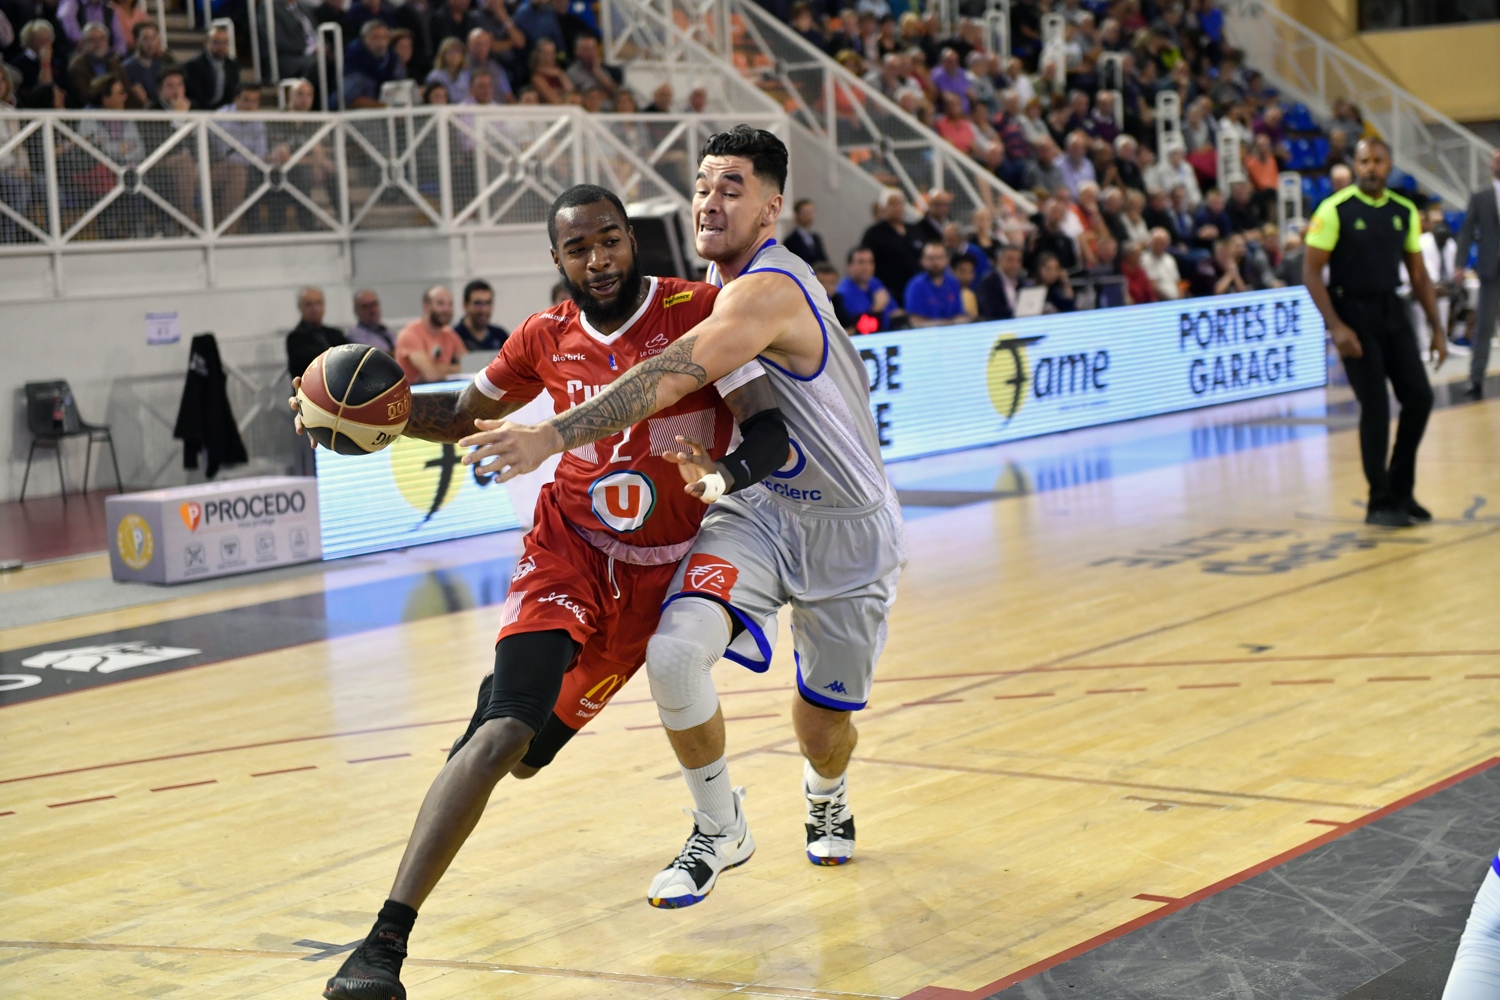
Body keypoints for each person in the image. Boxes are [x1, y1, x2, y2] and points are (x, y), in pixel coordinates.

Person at [313, 184, 788, 1000]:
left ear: (631, 239)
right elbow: (466, 413)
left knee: (528, 758)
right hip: (564, 548)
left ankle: (511, 698)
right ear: (557, 259)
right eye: (579, 248)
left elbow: (771, 431)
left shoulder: (702, 311)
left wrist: (725, 473)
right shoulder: (543, 336)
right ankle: (381, 949)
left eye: (610, 240)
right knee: (499, 738)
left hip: (653, 576)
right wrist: (372, 417)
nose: (598, 259)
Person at [458, 126, 906, 910]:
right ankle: (718, 828)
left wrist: (551, 434)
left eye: (731, 186)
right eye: (702, 184)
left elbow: (668, 376)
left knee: (821, 727)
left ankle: (827, 791)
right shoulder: (709, 278)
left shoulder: (767, 289)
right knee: (672, 656)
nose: (709, 199)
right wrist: (725, 475)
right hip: (758, 512)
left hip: (848, 529)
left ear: (771, 207)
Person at [1304, 137, 1444, 527]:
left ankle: (1402, 490)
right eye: (1364, 161)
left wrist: (1436, 328)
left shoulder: (1403, 210)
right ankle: (1378, 500)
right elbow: (1311, 274)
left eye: (1378, 161)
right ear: (1354, 164)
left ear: (1389, 165)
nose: (1370, 168)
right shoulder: (1335, 210)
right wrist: (1336, 326)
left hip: (1391, 309)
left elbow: (1418, 274)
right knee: (1377, 407)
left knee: (1419, 398)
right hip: (1352, 312)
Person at [1453, 147, 1500, 399]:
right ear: (1491, 166)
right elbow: (1466, 231)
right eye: (1496, 160)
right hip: (1491, 269)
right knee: (1483, 325)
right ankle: (1476, 378)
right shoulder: (1481, 197)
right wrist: (1459, 264)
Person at [860, 188, 923, 300]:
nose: (897, 207)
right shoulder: (874, 233)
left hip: (916, 289)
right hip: (888, 290)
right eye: (892, 204)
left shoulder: (915, 230)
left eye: (900, 203)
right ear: (883, 207)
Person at [395, 286, 467, 383]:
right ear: (426, 306)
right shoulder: (409, 334)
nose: (447, 309)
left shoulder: (449, 334)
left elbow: (470, 365)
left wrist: (442, 368)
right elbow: (431, 375)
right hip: (414, 395)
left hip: (442, 392)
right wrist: (456, 369)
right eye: (440, 303)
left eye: (450, 304)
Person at [285, 286, 349, 377]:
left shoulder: (335, 334)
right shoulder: (295, 338)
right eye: (309, 304)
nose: (315, 309)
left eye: (318, 303)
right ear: (300, 307)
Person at [344, 20, 406, 108]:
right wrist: (384, 107)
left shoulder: (393, 59)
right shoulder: (353, 61)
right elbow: (350, 98)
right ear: (364, 38)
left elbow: (402, 85)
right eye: (375, 38)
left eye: (385, 37)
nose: (381, 43)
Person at [903, 240, 965, 326]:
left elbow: (959, 314)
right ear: (922, 261)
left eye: (939, 258)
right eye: (930, 258)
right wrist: (944, 324)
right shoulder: (915, 285)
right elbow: (914, 321)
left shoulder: (953, 283)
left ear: (947, 260)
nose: (935, 262)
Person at [836, 245, 893, 333]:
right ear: (849, 266)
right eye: (861, 262)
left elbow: (895, 312)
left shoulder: (875, 283)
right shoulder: (844, 293)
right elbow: (859, 328)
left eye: (870, 262)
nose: (866, 267)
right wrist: (877, 308)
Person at [183, 24, 237, 110]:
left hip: (223, 114)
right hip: (199, 112)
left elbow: (233, 93)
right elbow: (195, 95)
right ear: (207, 43)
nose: (221, 47)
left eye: (225, 42)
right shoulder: (193, 65)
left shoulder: (233, 65)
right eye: (216, 42)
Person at [453, 278, 508, 351]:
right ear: (465, 305)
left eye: (488, 303)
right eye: (478, 303)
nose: (484, 309)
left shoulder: (500, 336)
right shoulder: (454, 337)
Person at [120, 20, 167, 105]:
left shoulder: (162, 65)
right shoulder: (126, 68)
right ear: (136, 40)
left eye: (153, 38)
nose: (150, 43)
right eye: (145, 38)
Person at [975, 243, 1025, 320]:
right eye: (1010, 260)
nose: (1015, 265)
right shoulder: (988, 284)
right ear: (999, 260)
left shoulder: (1021, 283)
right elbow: (991, 312)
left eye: (1018, 261)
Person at [1141, 226, 1182, 300]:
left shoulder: (1170, 259)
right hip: (1160, 300)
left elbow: (1177, 282)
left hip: (1175, 299)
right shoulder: (1144, 259)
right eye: (1156, 243)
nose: (1159, 246)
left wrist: (1179, 297)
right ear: (1150, 242)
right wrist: (1169, 299)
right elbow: (1152, 285)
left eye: (1162, 243)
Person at [784, 197, 827, 265]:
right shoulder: (790, 241)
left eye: (811, 212)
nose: (809, 215)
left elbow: (823, 260)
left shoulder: (816, 238)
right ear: (797, 215)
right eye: (805, 212)